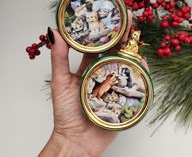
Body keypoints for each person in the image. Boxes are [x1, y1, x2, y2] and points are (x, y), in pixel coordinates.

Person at [38, 10, 149, 157]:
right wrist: (69, 138)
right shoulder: (109, 79)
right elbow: (108, 84)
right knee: (100, 93)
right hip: (97, 98)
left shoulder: (116, 81)